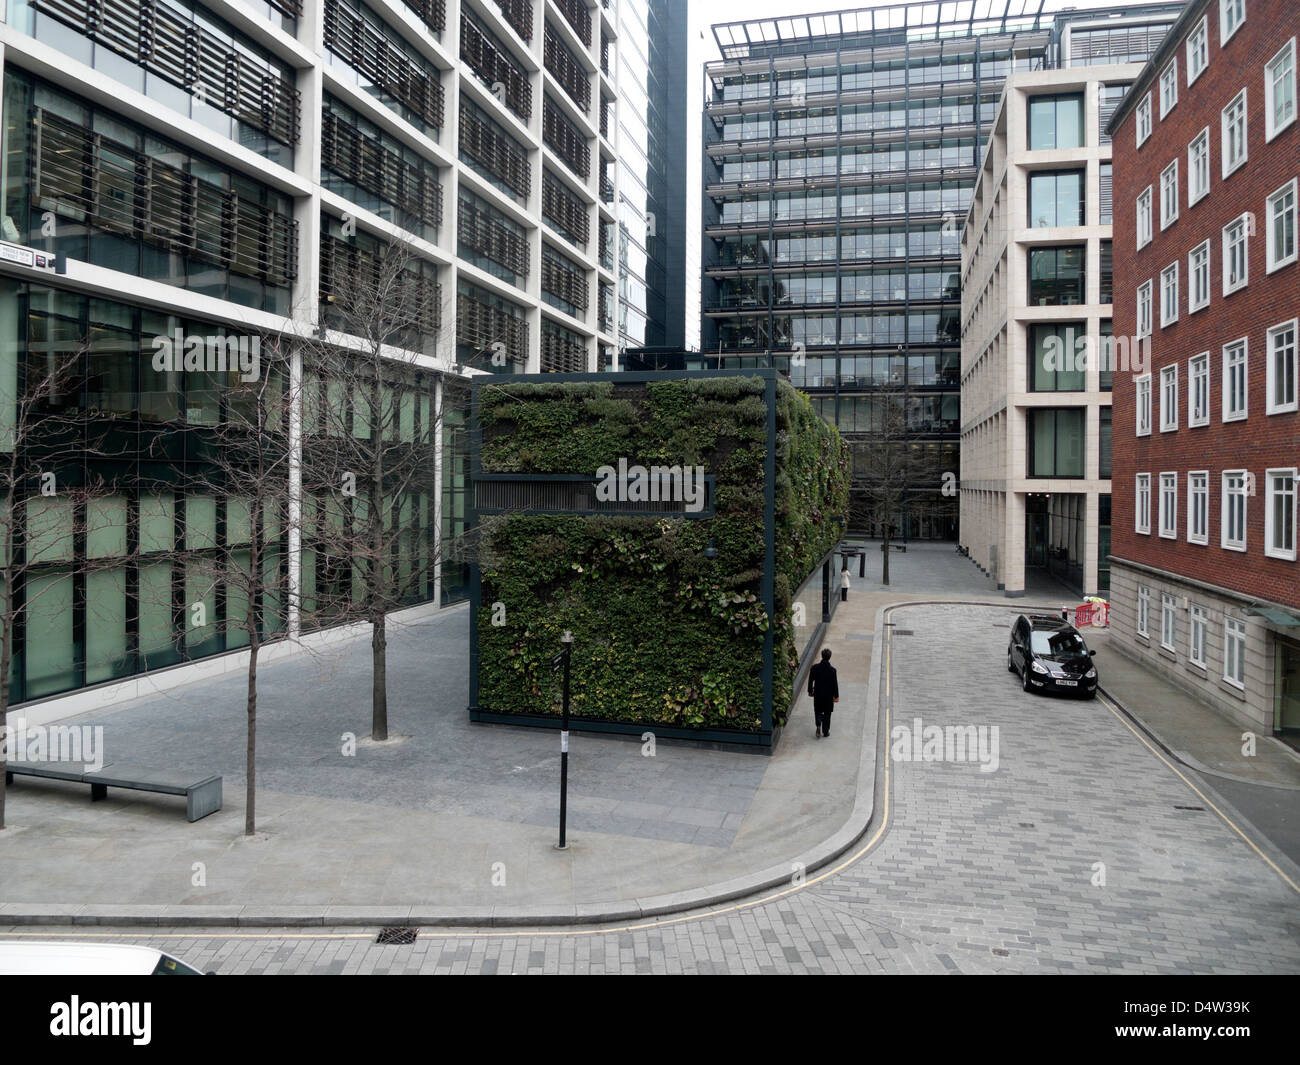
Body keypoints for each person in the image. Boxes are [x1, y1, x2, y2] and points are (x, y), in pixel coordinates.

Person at [807, 648, 839, 739]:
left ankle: (818, 724)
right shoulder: (833, 670)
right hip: (828, 696)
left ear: (822, 656)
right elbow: (834, 684)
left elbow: (810, 681)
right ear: (830, 657)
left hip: (818, 694)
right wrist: (836, 696)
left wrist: (810, 691)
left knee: (818, 710)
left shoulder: (814, 668)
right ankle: (825, 731)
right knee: (827, 713)